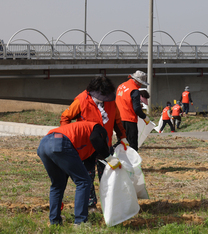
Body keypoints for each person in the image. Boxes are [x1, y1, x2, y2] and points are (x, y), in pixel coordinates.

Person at [60, 75, 127, 212]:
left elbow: (117, 121)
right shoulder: (81, 100)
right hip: (86, 147)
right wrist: (69, 138)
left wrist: (123, 137)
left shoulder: (110, 101)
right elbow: (65, 118)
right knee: (87, 176)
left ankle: (109, 203)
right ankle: (90, 204)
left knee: (108, 174)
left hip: (104, 146)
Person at [37, 121, 111, 226]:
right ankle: (80, 222)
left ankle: (55, 221)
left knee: (58, 185)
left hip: (44, 145)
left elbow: (85, 167)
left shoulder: (86, 147)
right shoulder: (98, 129)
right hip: (60, 142)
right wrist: (109, 157)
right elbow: (95, 139)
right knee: (84, 182)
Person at [116, 70, 151, 151]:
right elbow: (137, 109)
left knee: (121, 144)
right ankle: (132, 163)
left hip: (119, 119)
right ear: (137, 81)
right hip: (129, 120)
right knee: (132, 145)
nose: (141, 84)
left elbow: (123, 102)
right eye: (141, 82)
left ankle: (121, 161)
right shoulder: (134, 90)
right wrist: (144, 117)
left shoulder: (121, 86)